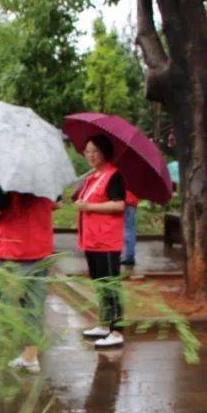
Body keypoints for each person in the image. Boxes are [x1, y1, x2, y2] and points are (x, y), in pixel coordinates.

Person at [0, 173, 55, 375]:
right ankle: (30, 357)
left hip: (9, 249)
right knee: (33, 306)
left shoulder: (6, 170)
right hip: (39, 248)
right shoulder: (45, 169)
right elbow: (56, 203)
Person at [74, 134, 126, 348]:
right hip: (91, 240)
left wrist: (89, 207)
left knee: (110, 285)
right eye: (87, 151)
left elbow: (119, 205)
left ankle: (117, 330)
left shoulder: (114, 176)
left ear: (104, 152)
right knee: (99, 284)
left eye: (95, 151)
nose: (91, 155)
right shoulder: (93, 177)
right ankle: (104, 324)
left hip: (106, 241)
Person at [121, 190, 140, 267]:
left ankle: (129, 256)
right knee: (130, 228)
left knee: (128, 229)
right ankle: (129, 255)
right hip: (132, 201)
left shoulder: (126, 179)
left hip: (127, 201)